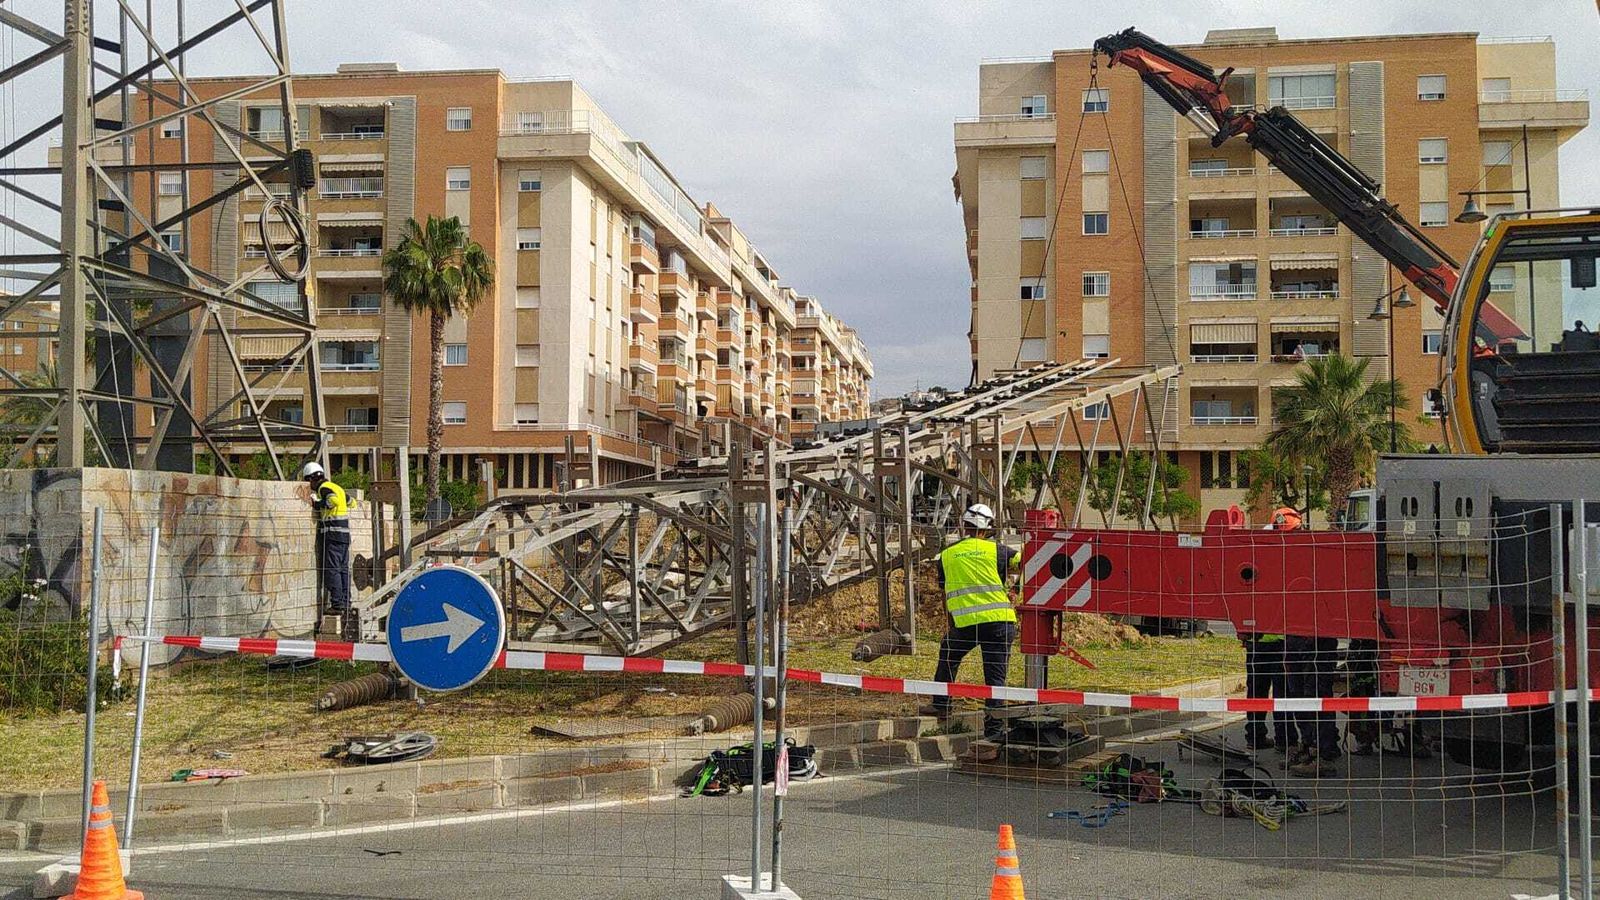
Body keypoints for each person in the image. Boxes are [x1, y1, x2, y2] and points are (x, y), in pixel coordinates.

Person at [918, 503, 1018, 745]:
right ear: (988, 527)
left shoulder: (947, 555)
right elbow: (1025, 560)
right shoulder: (997, 550)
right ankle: (993, 731)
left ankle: (941, 704)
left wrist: (949, 620)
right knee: (995, 678)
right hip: (999, 622)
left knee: (949, 653)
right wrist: (1017, 588)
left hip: (966, 624)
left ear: (964, 526)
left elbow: (945, 592)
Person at [300, 462, 351, 613]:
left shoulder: (324, 488)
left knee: (332, 569)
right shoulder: (338, 487)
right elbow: (351, 502)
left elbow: (332, 501)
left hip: (334, 534)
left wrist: (317, 504)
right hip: (344, 535)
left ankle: (337, 604)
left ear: (312, 478)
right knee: (343, 570)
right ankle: (346, 602)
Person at [1241, 631, 1296, 751]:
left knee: (1256, 693)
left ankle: (1255, 737)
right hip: (1281, 643)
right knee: (1282, 695)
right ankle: (1284, 740)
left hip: (1256, 641)